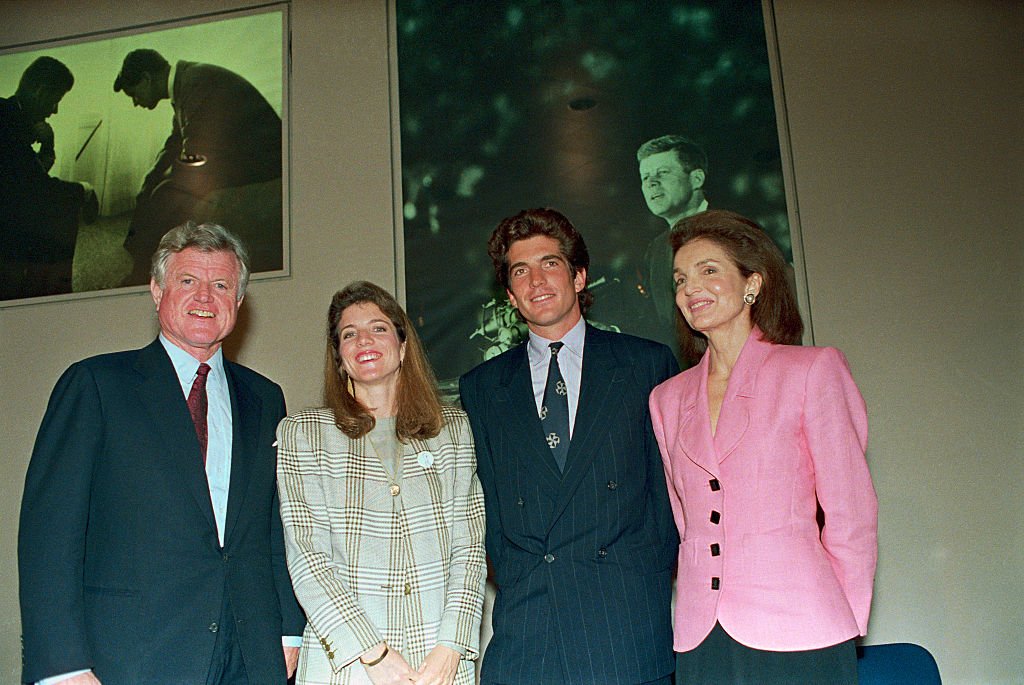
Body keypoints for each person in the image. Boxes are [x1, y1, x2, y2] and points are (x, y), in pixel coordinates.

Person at [18, 222, 305, 684]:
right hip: (132, 657)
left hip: (250, 656)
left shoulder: (265, 398)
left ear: (238, 301)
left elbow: (277, 525)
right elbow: (50, 537)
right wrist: (61, 665)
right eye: (188, 281)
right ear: (156, 290)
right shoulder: (95, 386)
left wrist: (291, 632)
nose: (204, 297)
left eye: (221, 285)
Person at [648, 210, 878, 684]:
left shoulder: (813, 371)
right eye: (680, 279)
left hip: (802, 628)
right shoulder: (666, 399)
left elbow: (852, 512)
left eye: (709, 270)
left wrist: (844, 624)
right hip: (701, 635)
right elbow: (685, 518)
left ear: (752, 284)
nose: (691, 288)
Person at [459, 208, 679, 685]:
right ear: (511, 297)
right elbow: (488, 500)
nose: (536, 280)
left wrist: (641, 575)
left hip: (625, 621)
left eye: (550, 263)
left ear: (579, 277)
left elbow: (668, 496)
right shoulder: (482, 387)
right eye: (520, 271)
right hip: (528, 626)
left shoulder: (645, 365)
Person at [277, 281, 486, 685]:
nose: (364, 341)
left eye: (378, 328)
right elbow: (307, 557)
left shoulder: (453, 430)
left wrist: (451, 649)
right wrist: (374, 656)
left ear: (403, 345)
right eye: (349, 334)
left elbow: (469, 549)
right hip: (348, 665)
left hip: (438, 665)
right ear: (339, 358)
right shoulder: (303, 434)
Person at [113, 49, 282, 284]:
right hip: (238, 153)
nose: (135, 102)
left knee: (167, 194)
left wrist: (164, 185)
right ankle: (143, 263)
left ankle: (144, 272)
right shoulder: (187, 82)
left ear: (146, 79)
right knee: (158, 187)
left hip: (261, 159)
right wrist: (149, 180)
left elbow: (196, 150)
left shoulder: (196, 82)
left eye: (134, 94)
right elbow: (175, 144)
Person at [1, 56, 98, 299]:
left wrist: (47, 147)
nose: (55, 110)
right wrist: (85, 190)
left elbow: (26, 177)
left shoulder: (13, 116)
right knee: (58, 208)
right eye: (55, 100)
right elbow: (36, 188)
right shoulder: (7, 121)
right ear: (40, 91)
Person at [636, 134, 710, 336]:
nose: (651, 184)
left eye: (662, 173)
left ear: (696, 179)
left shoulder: (735, 231)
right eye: (645, 177)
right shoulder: (656, 250)